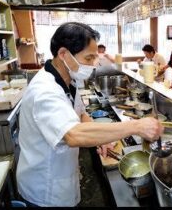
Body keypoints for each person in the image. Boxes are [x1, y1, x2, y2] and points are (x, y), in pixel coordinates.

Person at [16, 22, 163, 207]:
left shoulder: (68, 78)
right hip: (45, 189)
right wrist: (137, 126)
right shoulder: (45, 91)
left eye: (95, 57)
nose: (94, 64)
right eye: (89, 58)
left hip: (63, 176)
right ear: (63, 54)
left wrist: (99, 139)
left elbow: (81, 114)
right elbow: (73, 134)